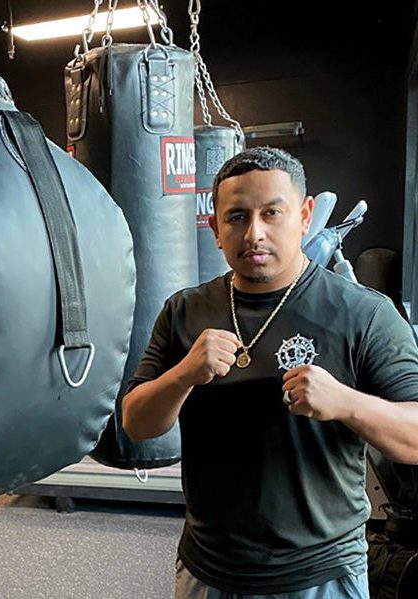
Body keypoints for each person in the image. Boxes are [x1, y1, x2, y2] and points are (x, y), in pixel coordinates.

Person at [121, 146, 418, 599]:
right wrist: (184, 374)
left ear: (304, 216)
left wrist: (346, 403)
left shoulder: (363, 314)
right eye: (237, 217)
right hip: (207, 568)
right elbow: (136, 424)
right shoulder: (184, 311)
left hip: (320, 574)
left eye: (272, 213)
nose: (254, 233)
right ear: (215, 229)